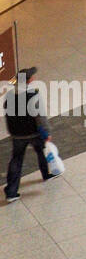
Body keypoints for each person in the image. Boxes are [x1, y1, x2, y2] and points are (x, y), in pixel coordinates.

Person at [4, 67, 56, 202]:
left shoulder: (9, 96)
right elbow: (41, 117)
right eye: (32, 76)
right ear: (28, 80)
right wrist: (47, 132)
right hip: (33, 132)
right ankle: (46, 174)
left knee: (16, 160)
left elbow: (8, 114)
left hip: (17, 135)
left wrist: (12, 131)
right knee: (41, 152)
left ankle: (11, 192)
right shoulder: (33, 95)